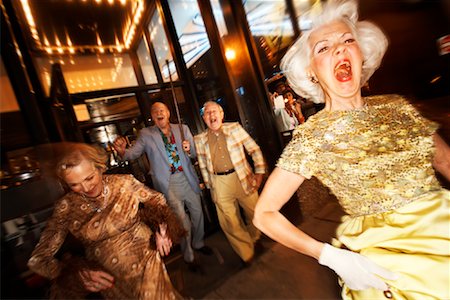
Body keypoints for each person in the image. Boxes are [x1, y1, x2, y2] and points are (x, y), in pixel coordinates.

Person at [253, 1, 450, 299]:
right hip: (392, 269)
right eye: (323, 48)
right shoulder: (314, 136)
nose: (339, 50)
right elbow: (264, 214)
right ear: (312, 72)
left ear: (362, 54)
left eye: (348, 41)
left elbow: (445, 159)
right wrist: (332, 257)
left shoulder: (397, 106)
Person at [27, 143, 185, 299]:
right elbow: (38, 260)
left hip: (147, 262)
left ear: (100, 167)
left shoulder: (124, 183)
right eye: (74, 184)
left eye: (89, 177)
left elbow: (157, 200)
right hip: (110, 281)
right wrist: (77, 274)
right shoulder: (66, 207)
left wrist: (162, 229)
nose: (86, 187)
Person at [113, 102, 212, 270]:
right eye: (155, 111)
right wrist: (122, 151)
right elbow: (132, 153)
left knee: (198, 214)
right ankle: (188, 256)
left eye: (162, 110)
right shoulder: (146, 134)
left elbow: (195, 152)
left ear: (168, 112)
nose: (159, 112)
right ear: (153, 117)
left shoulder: (183, 128)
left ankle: (198, 242)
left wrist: (190, 150)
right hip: (168, 183)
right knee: (182, 221)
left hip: (187, 178)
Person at [194, 101, 267, 266]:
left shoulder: (234, 128)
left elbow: (254, 149)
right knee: (229, 222)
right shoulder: (199, 140)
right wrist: (210, 186)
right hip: (218, 182)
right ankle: (246, 253)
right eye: (207, 113)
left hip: (242, 177)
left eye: (214, 112)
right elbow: (202, 165)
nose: (212, 115)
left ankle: (254, 239)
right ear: (204, 118)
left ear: (221, 114)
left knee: (255, 214)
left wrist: (259, 173)